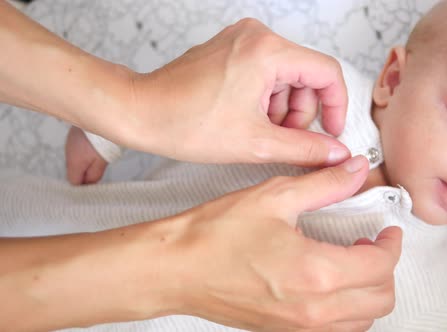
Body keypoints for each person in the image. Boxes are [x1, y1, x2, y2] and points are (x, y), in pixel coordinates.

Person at [59, 0, 447, 330]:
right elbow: (198, 87)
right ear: (394, 81)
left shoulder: (425, 291)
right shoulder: (317, 92)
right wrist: (108, 129)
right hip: (78, 224)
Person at [0, 1, 404, 332]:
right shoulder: (334, 94)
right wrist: (112, 124)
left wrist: (130, 104)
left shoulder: (410, 264)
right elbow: (209, 88)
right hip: (49, 220)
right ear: (394, 78)